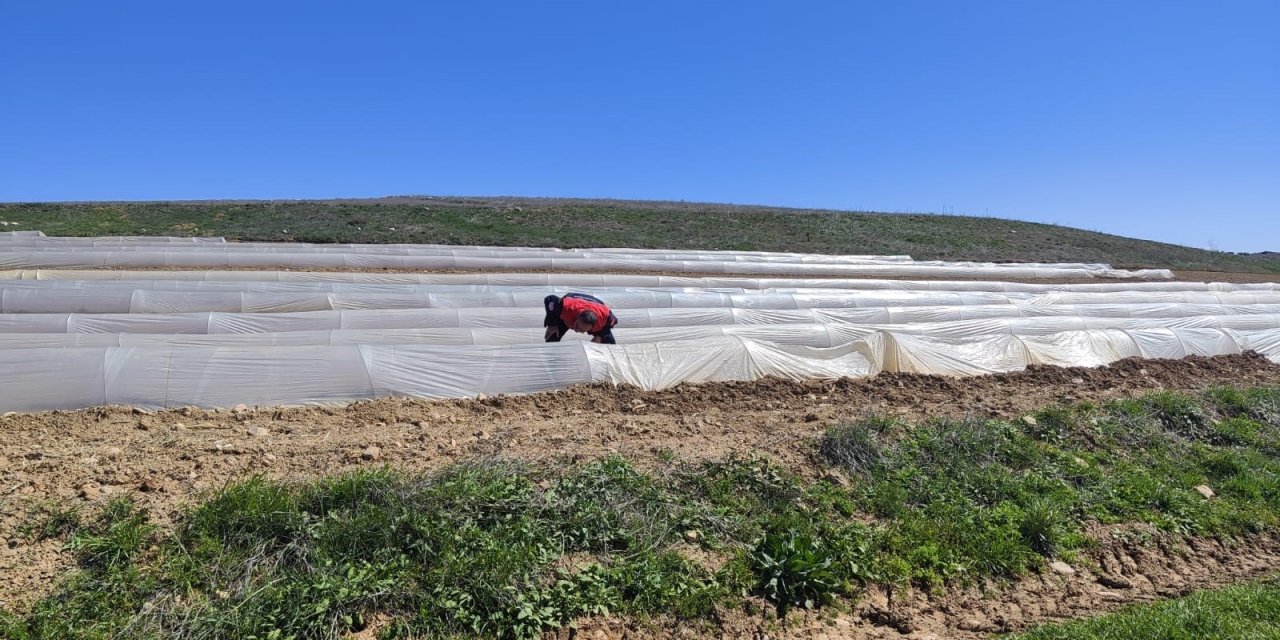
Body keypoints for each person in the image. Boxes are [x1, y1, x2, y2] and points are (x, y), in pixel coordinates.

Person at [543, 293, 618, 344]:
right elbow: (550, 299)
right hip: (573, 304)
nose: (577, 331)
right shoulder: (566, 308)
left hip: (598, 306)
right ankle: (552, 361)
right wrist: (552, 324)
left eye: (582, 330)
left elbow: (612, 323)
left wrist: (600, 337)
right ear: (577, 317)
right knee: (552, 336)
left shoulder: (606, 318)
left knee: (609, 342)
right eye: (577, 326)